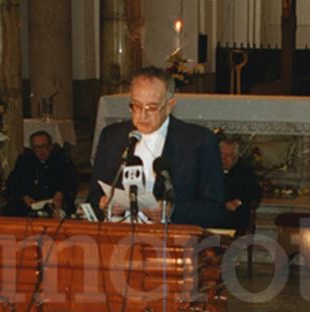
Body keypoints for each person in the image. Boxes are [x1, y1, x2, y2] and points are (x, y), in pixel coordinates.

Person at [88, 66, 226, 228]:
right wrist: (104, 204)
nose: (142, 116)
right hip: (118, 237)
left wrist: (172, 211)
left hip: (172, 241)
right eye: (136, 106)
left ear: (170, 105)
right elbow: (94, 195)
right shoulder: (112, 136)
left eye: (152, 108)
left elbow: (214, 209)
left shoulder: (197, 141)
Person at [5, 130, 77, 216]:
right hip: (29, 204)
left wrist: (61, 193)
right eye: (37, 147)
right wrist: (23, 196)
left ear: (50, 147)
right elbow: (12, 183)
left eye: (44, 146)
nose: (41, 151)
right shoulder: (24, 161)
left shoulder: (62, 160)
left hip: (55, 203)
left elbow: (71, 182)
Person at [219, 139, 261, 233]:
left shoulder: (245, 171)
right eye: (221, 154)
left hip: (234, 215)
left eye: (228, 155)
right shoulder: (209, 169)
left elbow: (255, 193)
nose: (223, 158)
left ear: (236, 157)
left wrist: (238, 202)